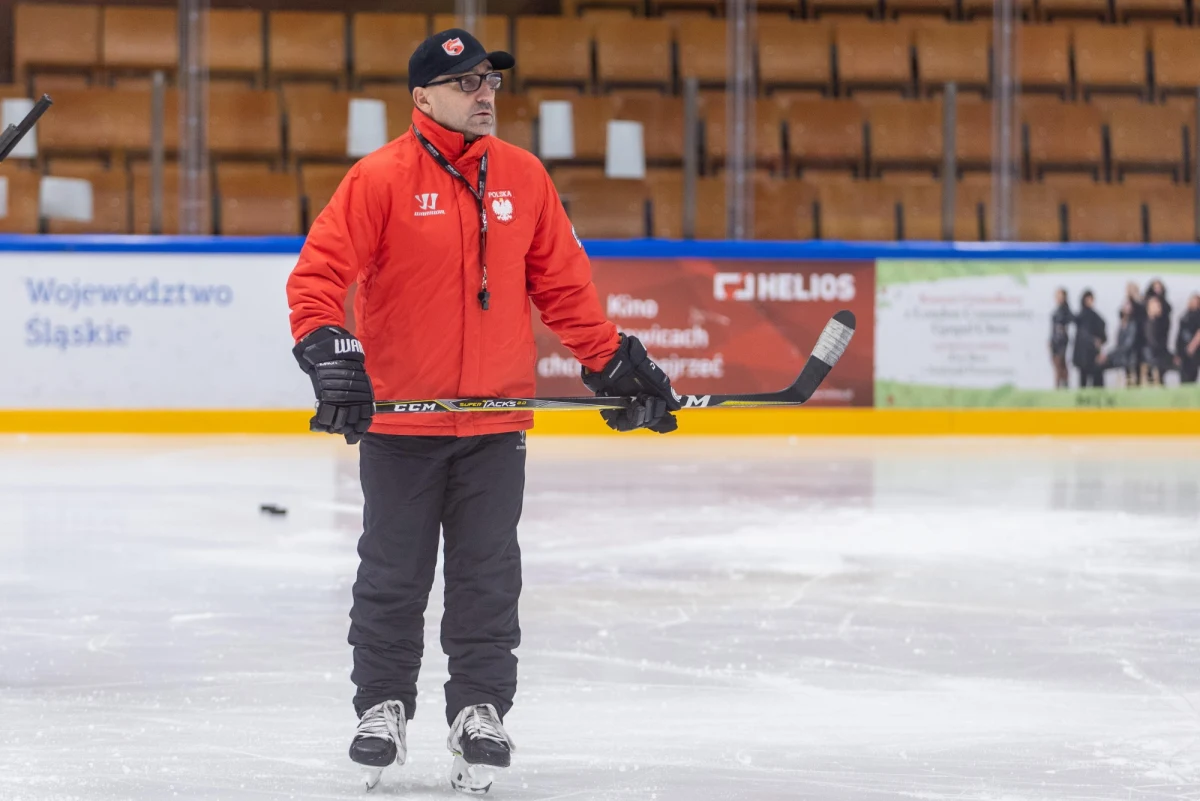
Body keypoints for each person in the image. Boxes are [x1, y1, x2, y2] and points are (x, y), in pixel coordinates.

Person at [285, 29, 682, 794]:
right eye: (466, 83)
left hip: (496, 424)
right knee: (393, 575)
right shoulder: (379, 179)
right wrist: (333, 352)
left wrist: (612, 363)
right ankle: (383, 706)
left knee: (487, 575)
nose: (485, 95)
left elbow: (564, 289)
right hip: (402, 424)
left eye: (490, 82)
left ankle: (478, 709)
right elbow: (317, 277)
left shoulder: (525, 178)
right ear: (423, 97)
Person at [1072, 290, 1107, 388]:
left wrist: (1099, 341)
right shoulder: (1080, 317)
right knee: (1083, 381)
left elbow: (1102, 334)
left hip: (1093, 354)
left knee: (1096, 381)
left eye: (1091, 299)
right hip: (1083, 355)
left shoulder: (1095, 317)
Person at [1106, 299, 1140, 388]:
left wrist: (1111, 354)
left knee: (1131, 379)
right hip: (1121, 357)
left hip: (1130, 357)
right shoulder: (1121, 324)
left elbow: (1128, 344)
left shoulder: (1133, 324)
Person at [1141, 295, 1172, 386]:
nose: (1158, 308)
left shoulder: (1163, 321)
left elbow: (1163, 341)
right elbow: (1151, 342)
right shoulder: (1145, 322)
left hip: (1160, 352)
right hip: (1150, 354)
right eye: (1155, 306)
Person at [1049, 288, 1072, 389]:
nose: (1058, 298)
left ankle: (1059, 387)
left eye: (1060, 295)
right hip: (1055, 340)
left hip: (1061, 341)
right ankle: (1062, 386)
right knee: (1058, 364)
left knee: (1060, 365)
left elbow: (1069, 320)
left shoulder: (1065, 309)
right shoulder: (1058, 309)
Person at [1176, 293, 1200, 384]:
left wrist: (1192, 345)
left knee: (1191, 373)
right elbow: (1179, 334)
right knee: (1183, 373)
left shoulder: (1198, 315)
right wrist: (1178, 351)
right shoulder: (1185, 314)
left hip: (1194, 349)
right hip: (1183, 347)